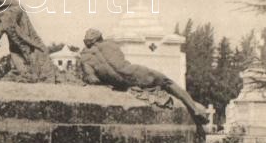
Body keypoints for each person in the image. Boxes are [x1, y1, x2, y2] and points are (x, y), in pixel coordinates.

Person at [79, 28, 208, 124]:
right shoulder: (110, 44)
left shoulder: (85, 58)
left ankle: (194, 108)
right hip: (132, 73)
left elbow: (93, 80)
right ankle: (194, 109)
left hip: (119, 83)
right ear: (100, 37)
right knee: (167, 82)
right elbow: (120, 63)